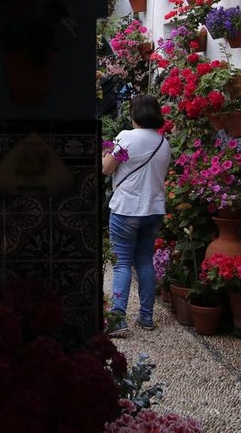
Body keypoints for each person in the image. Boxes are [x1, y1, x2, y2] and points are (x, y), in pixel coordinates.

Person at [102, 93, 171, 336]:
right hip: (153, 210)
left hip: (126, 209)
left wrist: (106, 152)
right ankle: (146, 316)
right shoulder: (164, 143)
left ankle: (118, 320)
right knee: (144, 260)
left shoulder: (126, 138)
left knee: (121, 263)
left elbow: (106, 168)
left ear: (135, 115)